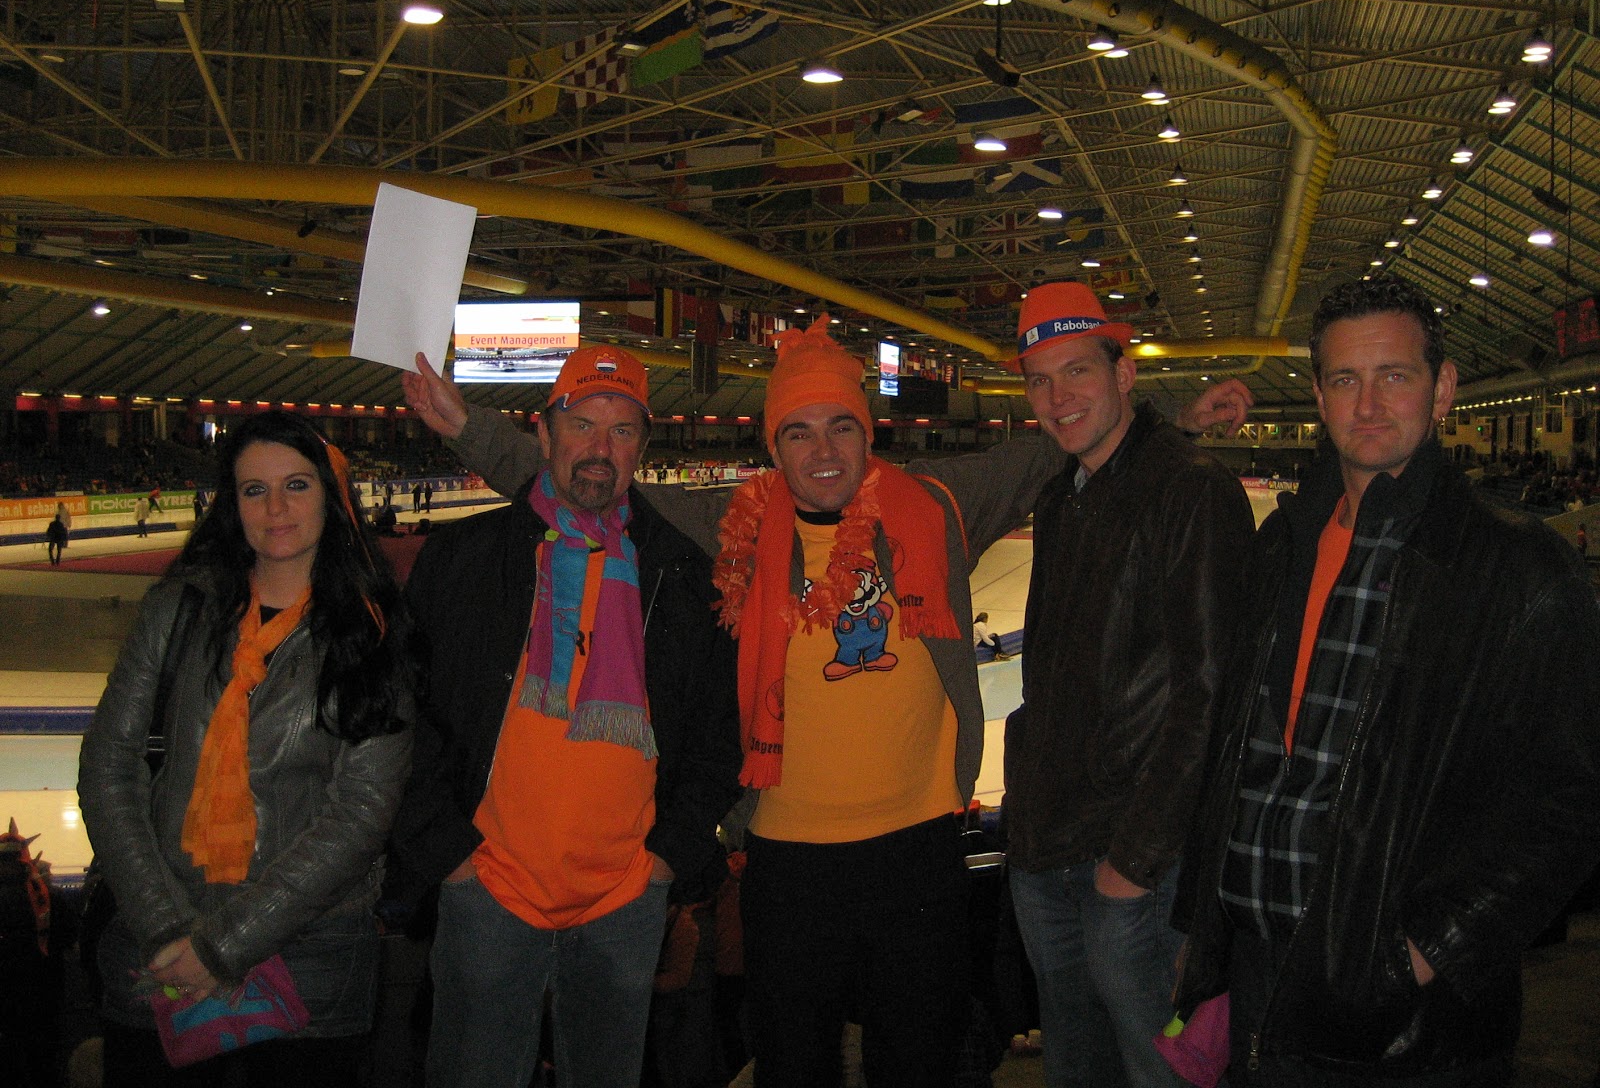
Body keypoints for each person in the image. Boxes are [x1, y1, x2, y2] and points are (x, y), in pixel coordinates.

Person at [405, 321, 1248, 1088]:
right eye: (798, 431)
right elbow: (588, 480)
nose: (822, 450)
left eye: (841, 426)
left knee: (917, 1066)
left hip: (917, 852)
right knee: (795, 1067)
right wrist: (466, 426)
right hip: (786, 862)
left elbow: (1064, 440)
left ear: (868, 433)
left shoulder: (938, 502)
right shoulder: (728, 522)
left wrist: (1174, 416)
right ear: (773, 444)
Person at [1174, 277, 1600, 1086]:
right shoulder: (1282, 547)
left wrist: (1426, 954)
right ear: (1319, 397)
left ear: (1442, 390)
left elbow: (1571, 799)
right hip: (1259, 980)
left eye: (1394, 376)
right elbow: (1244, 755)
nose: (1367, 404)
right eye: (1345, 379)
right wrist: (1208, 936)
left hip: (1406, 1022)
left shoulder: (1519, 570)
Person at [385, 345, 742, 1088]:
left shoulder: (683, 576)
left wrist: (665, 859)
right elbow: (400, 714)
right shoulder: (465, 558)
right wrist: (448, 853)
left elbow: (717, 736)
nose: (599, 449)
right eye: (581, 425)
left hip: (625, 898)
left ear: (641, 449)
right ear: (543, 434)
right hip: (488, 889)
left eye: (621, 431)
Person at [78, 412, 417, 1087]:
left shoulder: (376, 634)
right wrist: (169, 931)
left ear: (332, 496)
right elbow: (108, 767)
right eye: (254, 490)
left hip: (309, 959)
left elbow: (360, 815)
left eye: (296, 485)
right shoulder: (176, 610)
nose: (276, 508)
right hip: (160, 951)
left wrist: (221, 947)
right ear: (232, 506)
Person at [1000, 281, 1255, 1088]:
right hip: (1047, 848)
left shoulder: (1191, 489)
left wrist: (1134, 864)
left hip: (1133, 863)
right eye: (1039, 381)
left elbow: (1210, 691)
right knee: (1077, 1066)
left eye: (1076, 370)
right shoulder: (1062, 496)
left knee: (1160, 1070)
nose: (1057, 399)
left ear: (1124, 372)